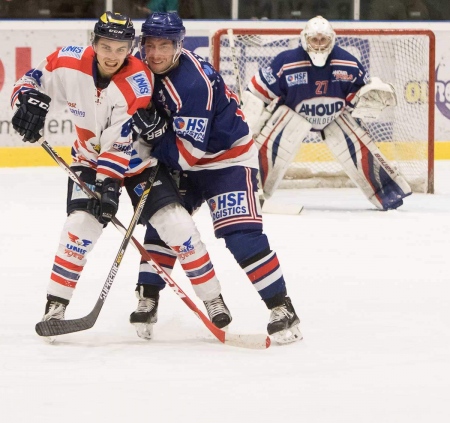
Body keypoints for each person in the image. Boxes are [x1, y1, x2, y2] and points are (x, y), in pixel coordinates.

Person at [11, 11, 230, 341]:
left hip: (137, 162)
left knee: (177, 223)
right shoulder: (67, 60)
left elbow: (119, 139)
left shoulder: (137, 79)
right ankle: (55, 305)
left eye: (121, 48)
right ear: (94, 43)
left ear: (130, 49)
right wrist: (23, 102)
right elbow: (30, 80)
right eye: (106, 46)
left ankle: (213, 298)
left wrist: (108, 185)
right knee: (78, 229)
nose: (113, 55)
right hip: (88, 158)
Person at [132, 12, 302, 345]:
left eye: (163, 46)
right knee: (164, 222)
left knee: (241, 235)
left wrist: (151, 137)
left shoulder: (192, 84)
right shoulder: (141, 68)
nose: (154, 54)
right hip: (183, 152)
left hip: (226, 161)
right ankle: (148, 297)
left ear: (179, 46)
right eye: (149, 45)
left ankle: (282, 308)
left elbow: (185, 155)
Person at [242, 15, 412, 211]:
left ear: (332, 39)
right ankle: (248, 191)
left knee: (356, 141)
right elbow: (256, 94)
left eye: (323, 39)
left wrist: (369, 94)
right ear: (305, 39)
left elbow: (359, 98)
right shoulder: (287, 62)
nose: (319, 45)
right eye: (314, 39)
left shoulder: (348, 63)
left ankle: (388, 191)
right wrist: (250, 119)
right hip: (292, 117)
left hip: (334, 118)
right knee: (274, 144)